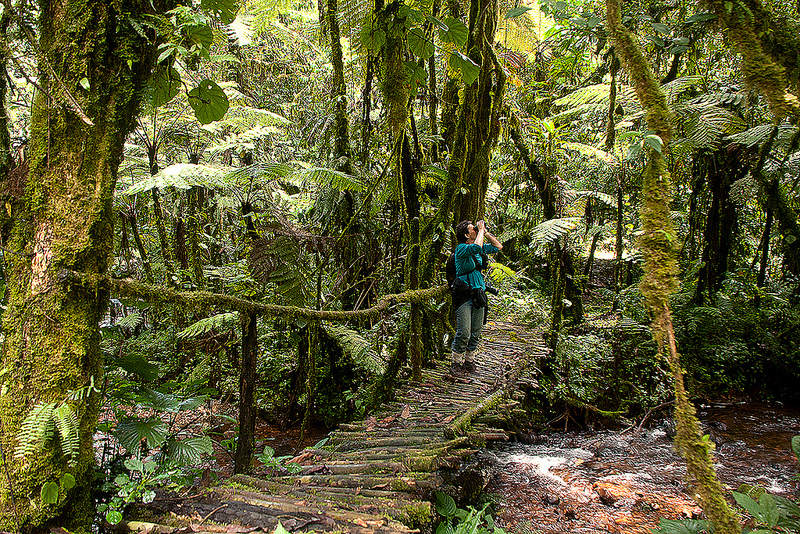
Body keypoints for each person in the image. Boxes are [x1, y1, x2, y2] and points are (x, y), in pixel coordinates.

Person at [450, 219, 502, 374]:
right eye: (472, 229)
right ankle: (456, 363)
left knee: (476, 331)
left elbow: (498, 247)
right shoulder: (461, 249)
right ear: (466, 234)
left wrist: (485, 232)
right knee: (464, 332)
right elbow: (476, 247)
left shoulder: (477, 247)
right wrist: (480, 232)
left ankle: (469, 361)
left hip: (478, 294)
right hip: (464, 295)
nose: (476, 230)